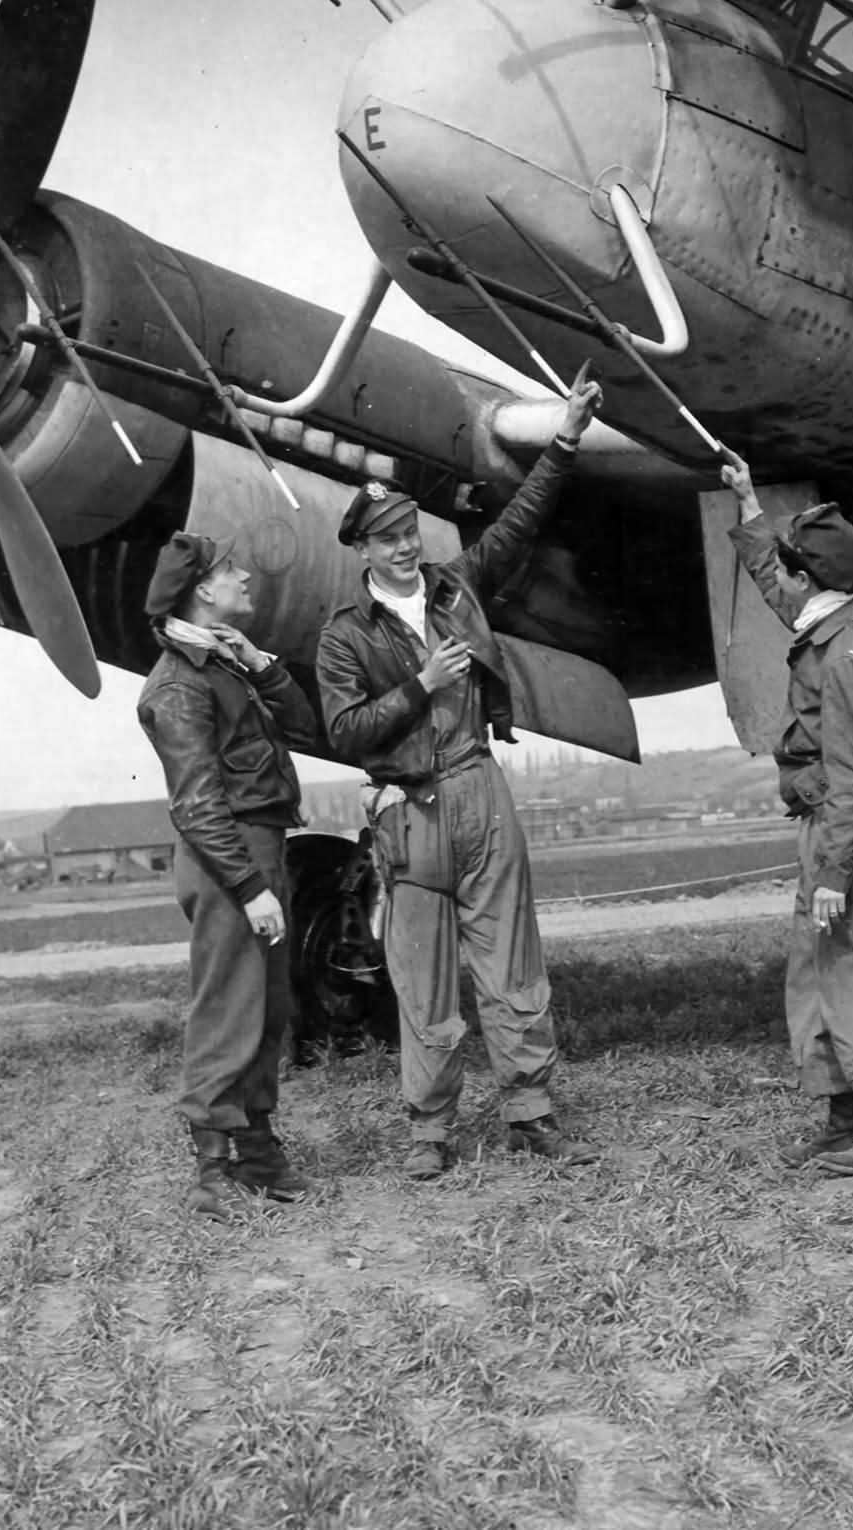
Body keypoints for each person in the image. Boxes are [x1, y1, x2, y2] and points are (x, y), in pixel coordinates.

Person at [315, 366, 605, 1181]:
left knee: (513, 967)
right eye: (388, 539)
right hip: (410, 814)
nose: (406, 547)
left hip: (479, 790)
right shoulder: (344, 637)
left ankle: (532, 1113)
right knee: (424, 984)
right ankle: (430, 1132)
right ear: (364, 551)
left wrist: (569, 434)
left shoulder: (457, 588)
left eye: (410, 531)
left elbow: (517, 526)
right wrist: (423, 685)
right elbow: (345, 730)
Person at [719, 448, 853, 1175]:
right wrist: (747, 500)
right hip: (837, 828)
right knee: (815, 974)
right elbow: (778, 585)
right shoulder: (841, 617)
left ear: (817, 579)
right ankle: (844, 1115)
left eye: (793, 566)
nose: (786, 580)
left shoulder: (840, 660)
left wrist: (835, 870)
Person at [137, 532, 318, 1220]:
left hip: (256, 846)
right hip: (228, 858)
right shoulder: (178, 686)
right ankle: (212, 1173)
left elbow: (301, 725)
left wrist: (264, 667)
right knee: (228, 1011)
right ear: (202, 591)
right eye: (230, 571)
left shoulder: (224, 663)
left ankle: (258, 1155)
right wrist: (249, 887)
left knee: (267, 1008)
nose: (245, 577)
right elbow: (197, 802)